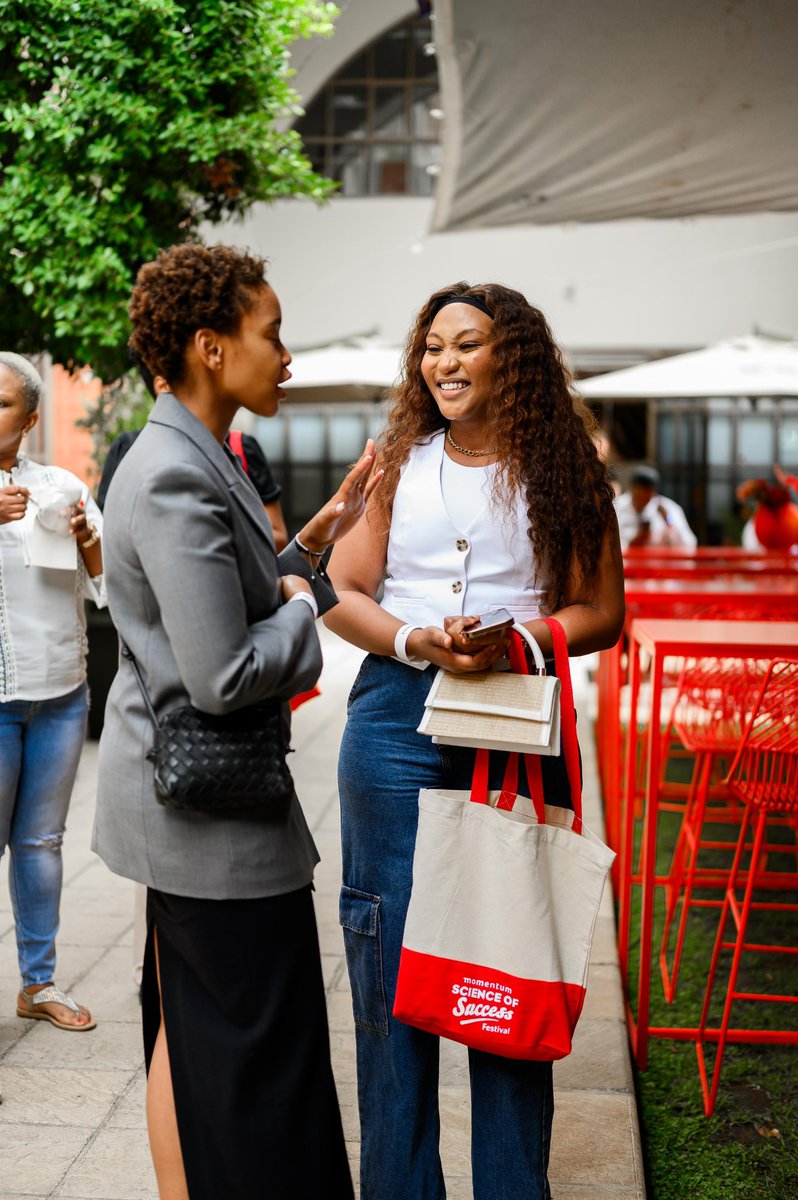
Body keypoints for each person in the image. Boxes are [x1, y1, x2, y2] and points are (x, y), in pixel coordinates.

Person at [323, 282, 625, 1200]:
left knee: (504, 963)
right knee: (390, 964)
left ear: (514, 358)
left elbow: (603, 609)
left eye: (468, 345)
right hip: (394, 722)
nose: (445, 363)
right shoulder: (400, 463)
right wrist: (418, 640)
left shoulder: (563, 466)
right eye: (432, 348)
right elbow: (342, 589)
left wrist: (518, 637)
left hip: (512, 723)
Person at [93, 243, 381, 1199]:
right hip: (211, 827)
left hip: (191, 812)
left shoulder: (191, 450)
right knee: (258, 1076)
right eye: (273, 333)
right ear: (212, 348)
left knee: (187, 1034)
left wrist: (308, 544)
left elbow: (223, 592)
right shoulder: (176, 470)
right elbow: (222, 673)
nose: (286, 354)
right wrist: (307, 604)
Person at [0, 351, 104, 1032]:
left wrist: (90, 537)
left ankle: (39, 984)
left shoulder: (61, 483)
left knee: (40, 842)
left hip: (62, 691)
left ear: (32, 418)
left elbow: (106, 583)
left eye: (3, 402)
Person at [98, 364, 289, 550]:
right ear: (162, 386)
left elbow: (278, 536)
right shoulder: (131, 451)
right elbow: (111, 535)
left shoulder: (241, 448)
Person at [613, 464, 697, 549]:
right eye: (638, 497)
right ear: (631, 489)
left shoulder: (668, 508)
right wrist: (635, 541)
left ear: (654, 493)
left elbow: (689, 544)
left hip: (659, 561)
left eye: (646, 498)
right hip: (626, 561)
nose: (642, 501)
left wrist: (668, 520)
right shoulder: (616, 507)